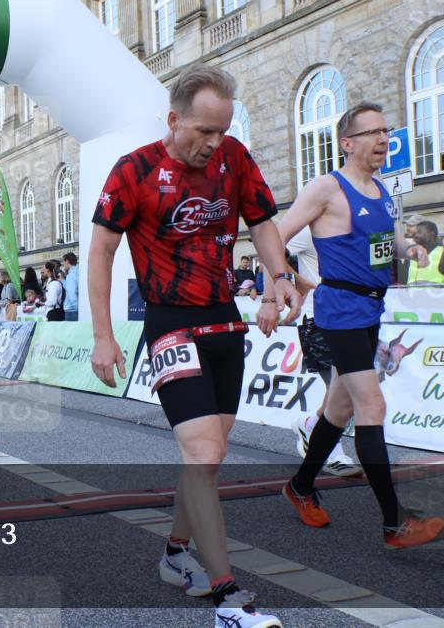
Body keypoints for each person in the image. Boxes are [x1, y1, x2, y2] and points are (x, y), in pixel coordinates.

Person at [88, 63, 299, 627]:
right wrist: (104, 335)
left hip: (223, 322)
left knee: (207, 456)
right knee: (203, 453)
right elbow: (101, 252)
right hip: (170, 324)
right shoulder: (133, 170)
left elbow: (262, 222)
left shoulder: (235, 158)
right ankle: (229, 599)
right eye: (205, 131)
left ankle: (175, 553)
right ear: (173, 119)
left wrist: (280, 276)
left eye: (222, 130)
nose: (214, 142)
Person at [277, 101, 444, 549]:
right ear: (347, 143)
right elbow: (275, 235)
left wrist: (408, 249)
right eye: (372, 132)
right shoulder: (326, 188)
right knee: (371, 405)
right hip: (341, 310)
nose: (383, 139)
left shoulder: (380, 190)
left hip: (370, 309)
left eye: (385, 131)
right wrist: (287, 281)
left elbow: (385, 240)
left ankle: (300, 486)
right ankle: (395, 523)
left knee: (339, 409)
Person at [286, 226, 361, 477]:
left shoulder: (355, 225)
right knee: (339, 388)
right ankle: (332, 451)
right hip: (316, 318)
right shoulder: (309, 229)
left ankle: (311, 425)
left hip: (350, 317)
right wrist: (294, 280)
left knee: (346, 390)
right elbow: (270, 249)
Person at [406, 220, 444, 284]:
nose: (415, 235)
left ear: (431, 234)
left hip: (437, 290)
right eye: (415, 233)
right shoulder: (412, 252)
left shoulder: (443, 252)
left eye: (419, 232)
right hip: (411, 290)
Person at [61, 252, 79, 321]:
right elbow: (72, 288)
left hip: (72, 311)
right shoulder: (78, 272)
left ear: (67, 261)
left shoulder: (71, 276)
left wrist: (76, 307)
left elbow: (72, 293)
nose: (63, 264)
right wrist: (63, 281)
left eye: (63, 261)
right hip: (75, 310)